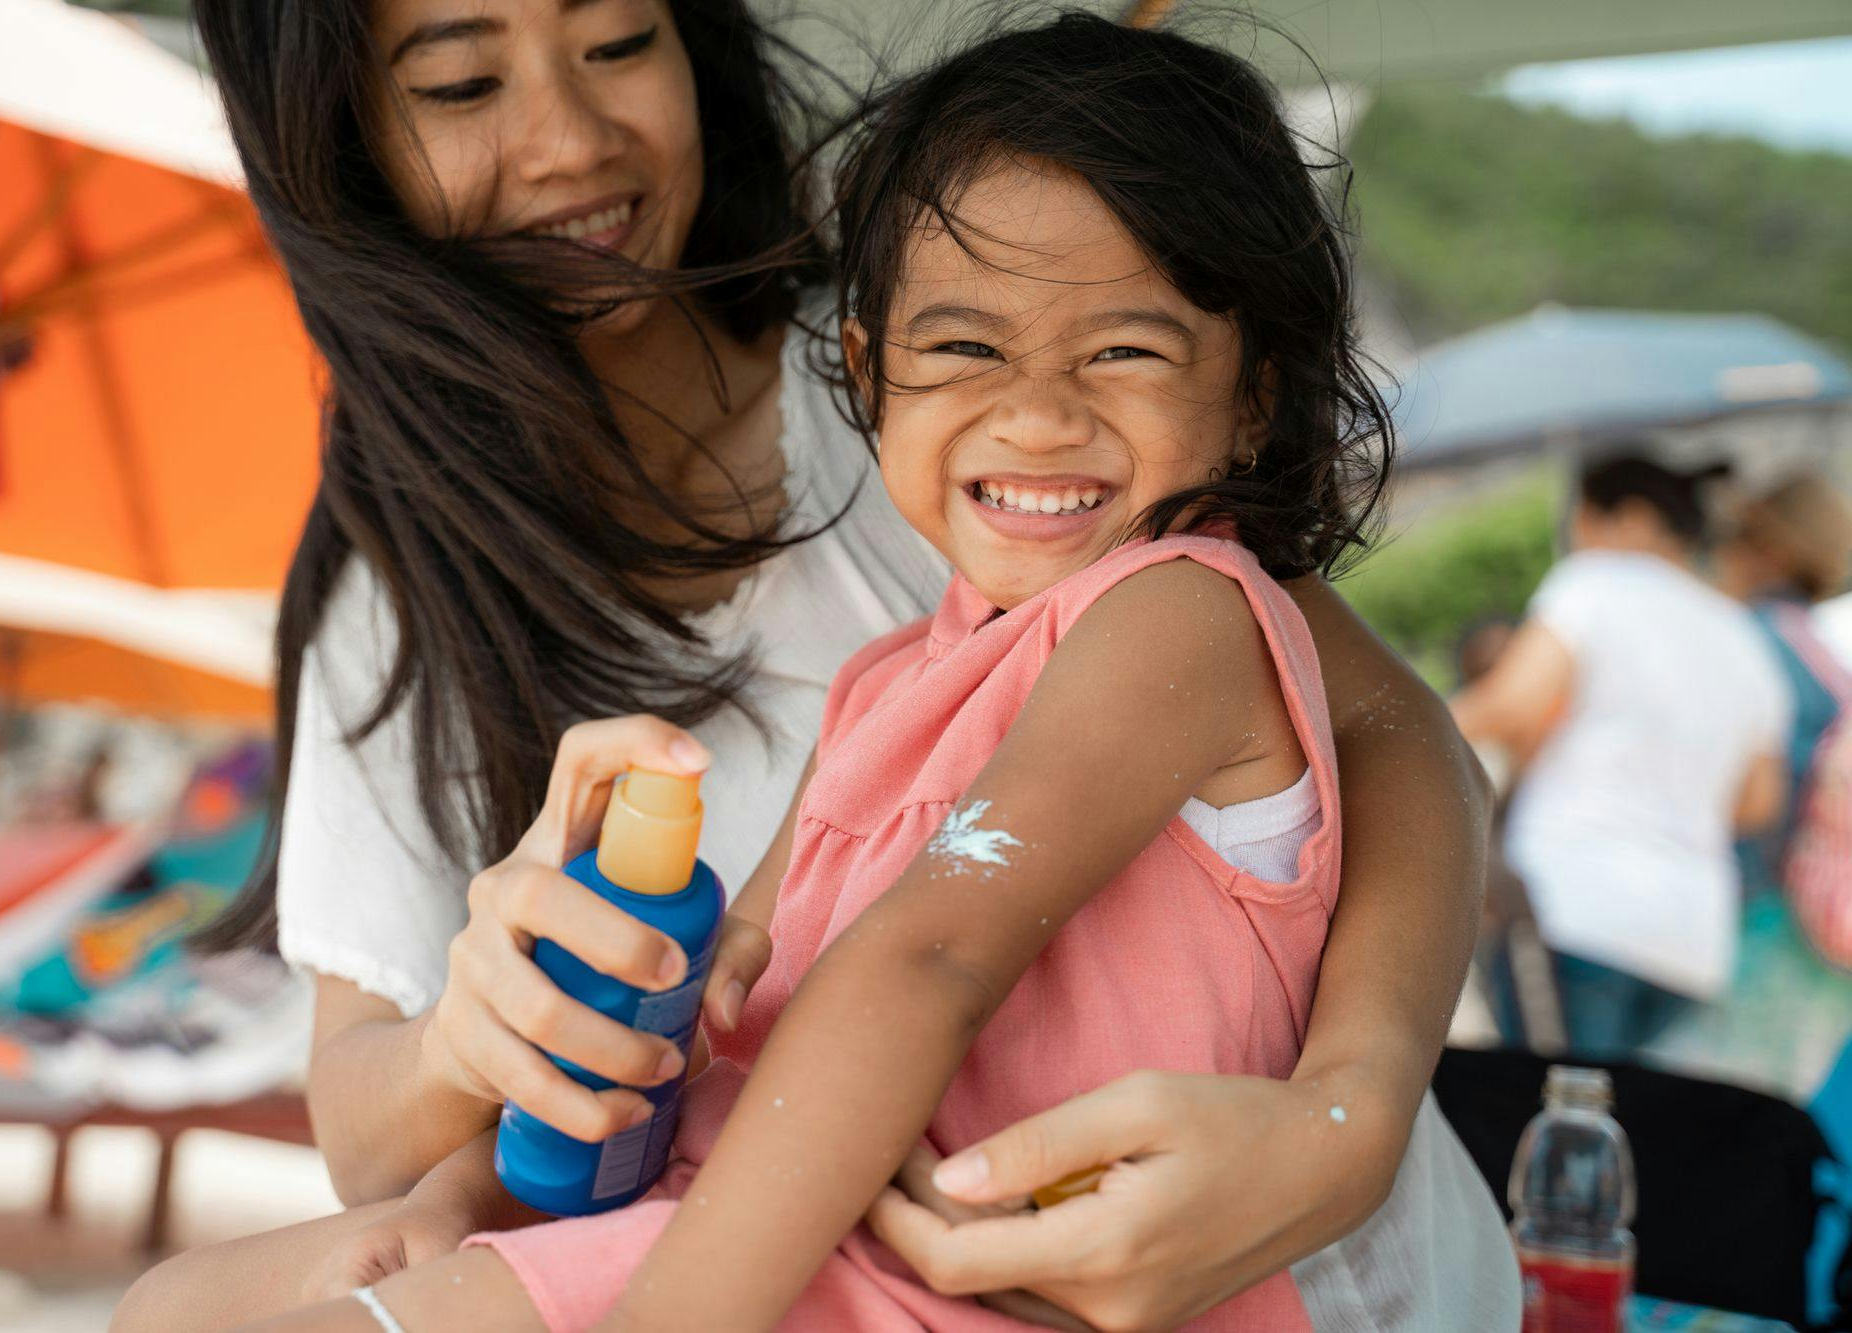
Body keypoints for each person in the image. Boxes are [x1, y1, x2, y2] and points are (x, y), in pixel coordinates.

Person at [117, 4, 1510, 1329]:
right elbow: (739, 991)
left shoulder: (1109, 508)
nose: (566, 138)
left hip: (949, 1263)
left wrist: (1356, 1107)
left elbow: (931, 948)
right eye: (461, 82)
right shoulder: (887, 610)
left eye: (616, 41)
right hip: (738, 1216)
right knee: (162, 1306)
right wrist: (469, 1145)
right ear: (345, 142)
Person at [1454, 452, 1791, 1060]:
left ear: (1628, 520)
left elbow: (1511, 705)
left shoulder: (1595, 585)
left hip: (1578, 907)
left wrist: (1388, 728)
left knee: (1552, 1120)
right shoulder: (1743, 636)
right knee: (1629, 1129)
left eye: (1579, 525)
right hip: (1690, 939)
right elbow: (1757, 802)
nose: (1575, 543)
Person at [1713, 471, 1852, 892]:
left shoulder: (1751, 638)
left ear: (1769, 552)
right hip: (1816, 885)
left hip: (1763, 885)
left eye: (1735, 538)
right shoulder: (1812, 637)